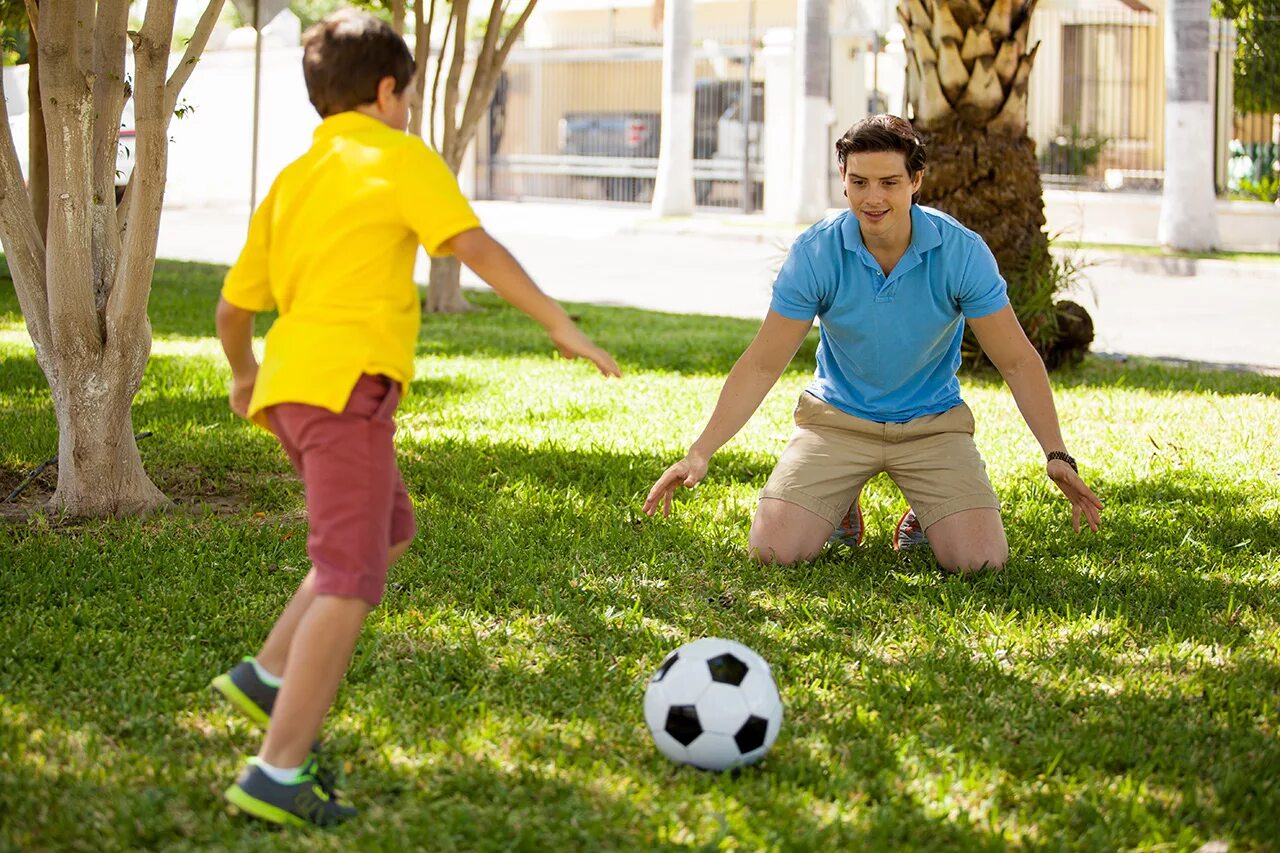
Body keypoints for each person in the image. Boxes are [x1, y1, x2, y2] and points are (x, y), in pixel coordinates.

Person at [211, 10, 620, 828]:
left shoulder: (295, 176)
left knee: (388, 529)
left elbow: (232, 306)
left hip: (294, 391)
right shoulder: (400, 155)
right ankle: (276, 773)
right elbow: (471, 244)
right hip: (346, 393)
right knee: (350, 577)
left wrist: (246, 373)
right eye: (406, 93)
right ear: (389, 90)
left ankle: (263, 676)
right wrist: (556, 322)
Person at [643, 114, 1101, 570]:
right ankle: (840, 504)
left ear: (915, 180)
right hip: (836, 421)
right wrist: (700, 452)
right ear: (843, 177)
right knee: (772, 552)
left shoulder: (960, 251)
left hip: (932, 425)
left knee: (981, 562)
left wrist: (1056, 453)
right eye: (859, 181)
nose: (873, 198)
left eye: (889, 182)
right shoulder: (816, 252)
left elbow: (1017, 361)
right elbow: (763, 363)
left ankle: (927, 512)